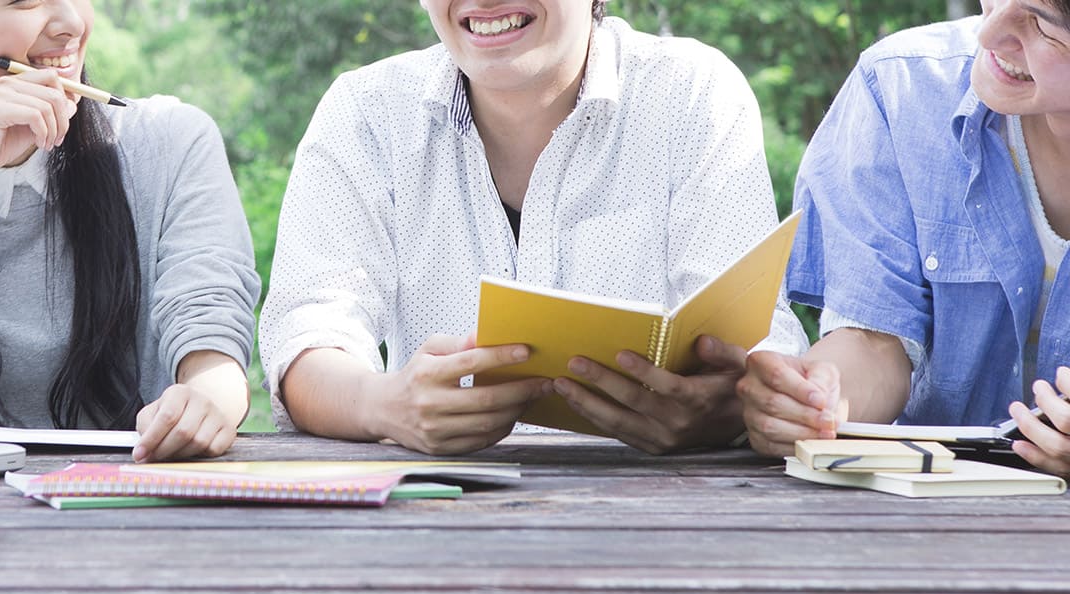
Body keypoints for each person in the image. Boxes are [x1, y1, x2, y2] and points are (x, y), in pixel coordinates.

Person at [259, 0, 807, 455]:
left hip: (663, 520)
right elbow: (306, 337)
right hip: (437, 520)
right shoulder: (366, 114)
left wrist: (725, 408)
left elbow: (756, 349)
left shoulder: (690, 95)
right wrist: (385, 404)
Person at [0, 0, 261, 462]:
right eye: (28, 1)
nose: (72, 22)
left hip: (138, 504)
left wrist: (208, 399)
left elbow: (209, 329)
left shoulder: (172, 143)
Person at [737, 0, 1070, 474]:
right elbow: (874, 342)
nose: (988, 32)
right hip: (917, 519)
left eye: (1041, 27)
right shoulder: (900, 89)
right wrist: (816, 398)